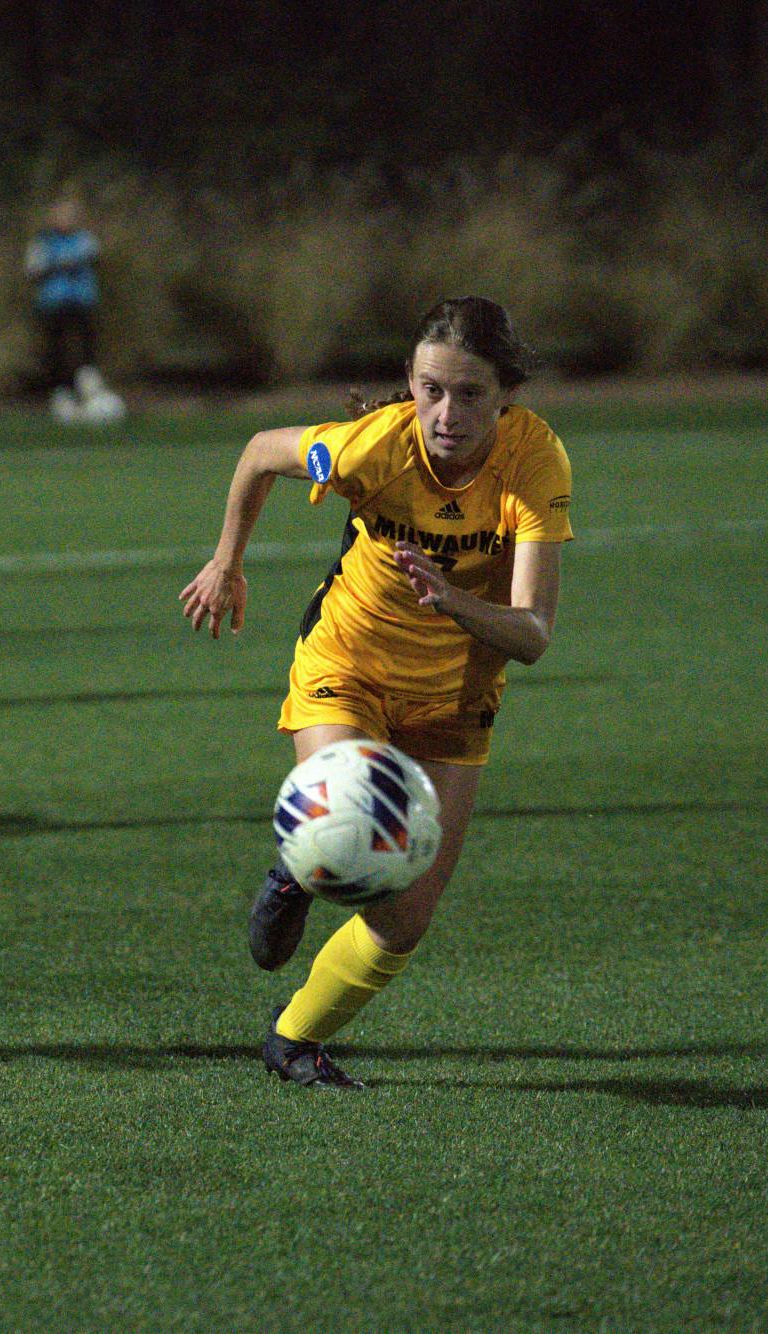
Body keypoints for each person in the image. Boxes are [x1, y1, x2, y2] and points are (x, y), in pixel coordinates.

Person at [179, 296, 571, 1090]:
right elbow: (260, 451)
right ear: (410, 384)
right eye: (430, 389)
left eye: (469, 394)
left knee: (402, 920)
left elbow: (531, 635)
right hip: (348, 662)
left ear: (506, 396)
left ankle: (293, 1041)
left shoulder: (534, 462)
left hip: (455, 695)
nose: (446, 413)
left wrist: (453, 600)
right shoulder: (371, 449)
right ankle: (301, 868)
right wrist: (228, 561)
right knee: (350, 810)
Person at [26, 187, 122, 424]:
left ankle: (91, 392)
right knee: (56, 351)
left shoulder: (85, 239)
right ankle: (62, 396)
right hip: (53, 304)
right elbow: (34, 269)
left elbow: (94, 259)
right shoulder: (42, 242)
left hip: (82, 302)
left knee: (86, 348)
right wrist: (57, 265)